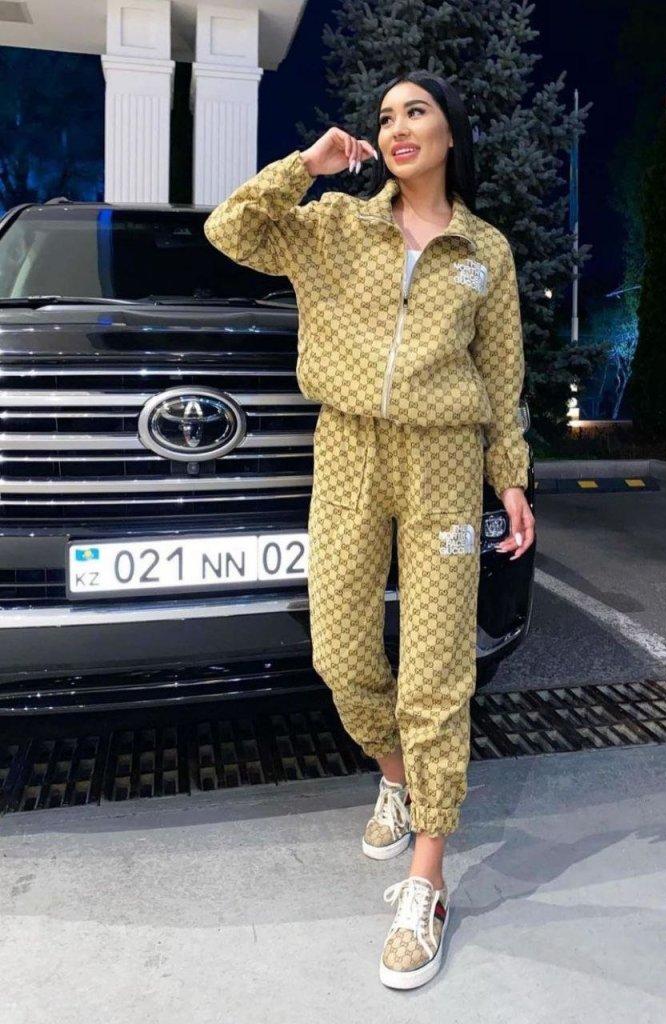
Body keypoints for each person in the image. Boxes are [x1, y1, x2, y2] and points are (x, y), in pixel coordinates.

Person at [204, 69, 535, 990]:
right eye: (386, 116)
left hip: (444, 462)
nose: (396, 127)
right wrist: (305, 166)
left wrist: (510, 478)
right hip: (348, 447)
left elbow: (500, 376)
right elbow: (230, 229)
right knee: (341, 651)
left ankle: (427, 878)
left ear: (450, 132)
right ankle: (397, 773)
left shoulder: (485, 251)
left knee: (436, 669)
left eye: (415, 111)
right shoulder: (339, 225)